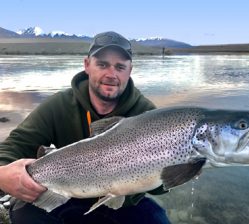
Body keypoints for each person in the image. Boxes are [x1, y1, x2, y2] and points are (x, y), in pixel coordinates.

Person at [0, 31, 171, 224]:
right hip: (67, 197)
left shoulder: (146, 114)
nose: (111, 74)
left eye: (120, 67)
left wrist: (179, 169)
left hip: (124, 205)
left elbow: (160, 186)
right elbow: (16, 145)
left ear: (130, 70)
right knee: (23, 213)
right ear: (87, 65)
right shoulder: (59, 105)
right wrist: (2, 174)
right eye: (102, 64)